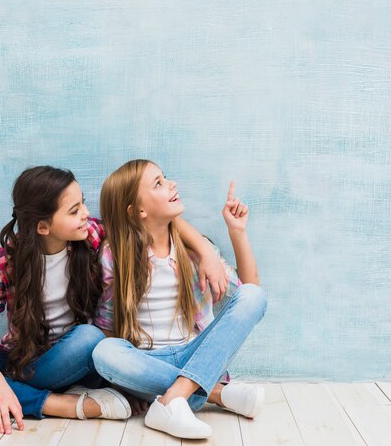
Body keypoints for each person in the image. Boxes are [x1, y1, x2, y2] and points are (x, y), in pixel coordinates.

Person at [0, 165, 228, 435]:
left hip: (80, 362)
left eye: (82, 203)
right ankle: (59, 404)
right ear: (43, 227)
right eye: (74, 210)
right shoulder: (4, 263)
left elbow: (154, 222)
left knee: (90, 337)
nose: (86, 213)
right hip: (26, 363)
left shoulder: (89, 237)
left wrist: (204, 251)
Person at [92, 159, 267, 439]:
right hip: (146, 360)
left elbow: (249, 294)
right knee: (103, 352)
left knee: (255, 296)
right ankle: (214, 393)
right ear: (138, 211)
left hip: (195, 353)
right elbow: (106, 326)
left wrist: (238, 232)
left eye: (166, 178)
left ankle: (173, 397)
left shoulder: (196, 253)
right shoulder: (114, 257)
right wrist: (124, 382)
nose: (172, 184)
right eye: (158, 184)